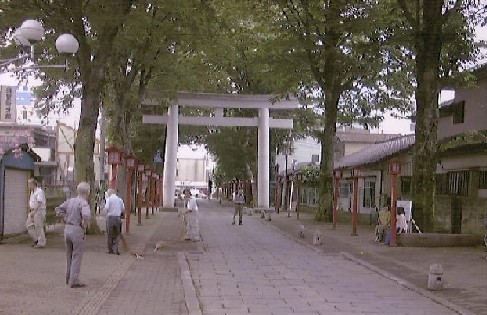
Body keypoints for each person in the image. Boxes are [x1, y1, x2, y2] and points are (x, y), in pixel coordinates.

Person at [55, 182, 92, 288]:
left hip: (67, 229)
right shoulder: (83, 203)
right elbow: (86, 215)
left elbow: (58, 210)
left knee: (69, 255)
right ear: (88, 192)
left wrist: (65, 218)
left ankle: (68, 276)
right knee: (77, 255)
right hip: (77, 229)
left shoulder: (71, 201)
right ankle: (74, 279)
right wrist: (84, 226)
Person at [25, 178, 47, 248]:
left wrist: (34, 211)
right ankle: (36, 239)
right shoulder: (32, 191)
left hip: (39, 211)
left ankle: (41, 242)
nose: (28, 185)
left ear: (33, 184)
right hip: (33, 211)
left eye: (29, 184)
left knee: (38, 226)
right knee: (28, 225)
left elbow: (39, 202)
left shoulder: (39, 191)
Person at [104, 188, 125, 255]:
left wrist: (106, 214)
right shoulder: (120, 200)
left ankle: (110, 249)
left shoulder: (109, 199)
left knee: (110, 234)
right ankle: (116, 249)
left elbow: (106, 208)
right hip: (118, 218)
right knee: (117, 234)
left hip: (110, 218)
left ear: (109, 193)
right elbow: (123, 209)